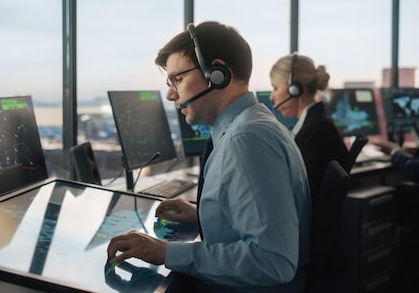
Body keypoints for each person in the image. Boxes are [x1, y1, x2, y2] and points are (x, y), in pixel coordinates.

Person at [107, 21, 311, 292]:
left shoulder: (246, 141)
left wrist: (166, 252)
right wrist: (203, 213)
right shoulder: (252, 124)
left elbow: (273, 262)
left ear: (217, 73)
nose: (170, 94)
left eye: (177, 79)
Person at [269, 53, 350, 199]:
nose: (271, 96)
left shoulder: (315, 129)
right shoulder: (317, 123)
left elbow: (300, 192)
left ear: (295, 89)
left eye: (275, 88)